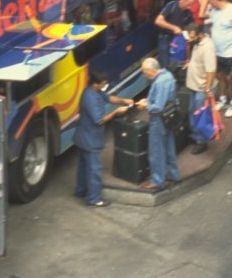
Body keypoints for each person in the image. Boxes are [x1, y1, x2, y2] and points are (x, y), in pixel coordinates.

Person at [74, 73, 134, 207]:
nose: (104, 86)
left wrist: (124, 100)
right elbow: (99, 120)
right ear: (95, 83)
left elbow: (109, 98)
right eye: (103, 84)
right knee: (94, 169)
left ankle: (81, 190)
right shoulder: (90, 98)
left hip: (83, 137)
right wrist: (116, 112)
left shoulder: (94, 91)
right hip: (91, 140)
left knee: (84, 166)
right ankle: (94, 198)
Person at [135, 58, 179, 191]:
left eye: (145, 72)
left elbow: (158, 107)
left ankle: (157, 181)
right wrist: (148, 99)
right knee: (169, 146)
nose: (144, 75)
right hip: (169, 116)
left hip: (158, 120)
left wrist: (145, 105)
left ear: (152, 70)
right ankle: (173, 174)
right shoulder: (167, 75)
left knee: (156, 150)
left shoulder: (159, 82)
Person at [183, 22, 217, 154]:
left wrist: (207, 89)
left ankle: (201, 142)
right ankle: (195, 136)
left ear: (200, 35)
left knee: (200, 116)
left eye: (192, 37)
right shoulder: (197, 43)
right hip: (194, 85)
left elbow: (211, 70)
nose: (190, 40)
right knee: (193, 113)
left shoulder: (207, 47)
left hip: (201, 89)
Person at [154, 0, 196, 73]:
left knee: (176, 65)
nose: (189, 7)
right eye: (188, 4)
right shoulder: (172, 6)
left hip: (177, 41)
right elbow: (158, 21)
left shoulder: (188, 14)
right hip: (165, 39)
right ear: (183, 0)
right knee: (165, 66)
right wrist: (173, 28)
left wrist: (188, 57)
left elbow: (189, 31)